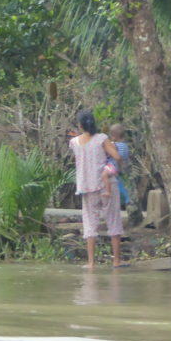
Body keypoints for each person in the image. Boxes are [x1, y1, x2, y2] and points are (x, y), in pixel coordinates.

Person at [70, 110, 125, 269]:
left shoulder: (74, 142)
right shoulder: (102, 138)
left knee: (89, 223)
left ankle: (91, 263)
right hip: (106, 184)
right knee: (113, 220)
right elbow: (117, 156)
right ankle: (116, 261)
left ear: (80, 125)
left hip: (87, 186)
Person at [108, 123, 131, 208]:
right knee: (121, 184)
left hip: (114, 167)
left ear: (114, 136)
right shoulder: (125, 146)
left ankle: (125, 199)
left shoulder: (115, 145)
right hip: (122, 168)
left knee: (117, 184)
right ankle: (127, 198)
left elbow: (118, 158)